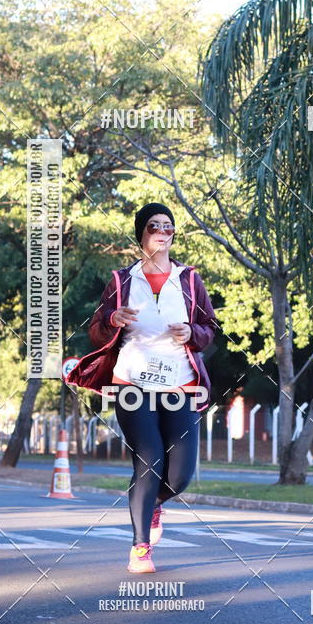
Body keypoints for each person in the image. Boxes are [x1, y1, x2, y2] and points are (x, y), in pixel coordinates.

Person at [66, 202, 218, 573]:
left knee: (180, 475)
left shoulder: (189, 280)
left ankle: (152, 504)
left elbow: (210, 328)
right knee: (148, 460)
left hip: (179, 383)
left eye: (168, 227)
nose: (163, 233)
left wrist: (192, 333)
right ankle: (140, 548)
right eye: (154, 226)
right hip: (132, 379)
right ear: (142, 235)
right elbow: (97, 329)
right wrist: (113, 318)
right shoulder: (121, 281)